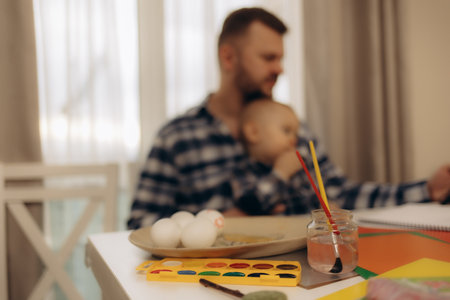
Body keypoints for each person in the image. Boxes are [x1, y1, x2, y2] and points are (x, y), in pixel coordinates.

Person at [127, 7, 450, 229]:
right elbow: (140, 224)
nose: (279, 69)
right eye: (269, 58)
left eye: (280, 58)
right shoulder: (177, 137)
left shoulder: (292, 129)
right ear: (229, 57)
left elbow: (338, 195)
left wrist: (428, 190)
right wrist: (220, 223)